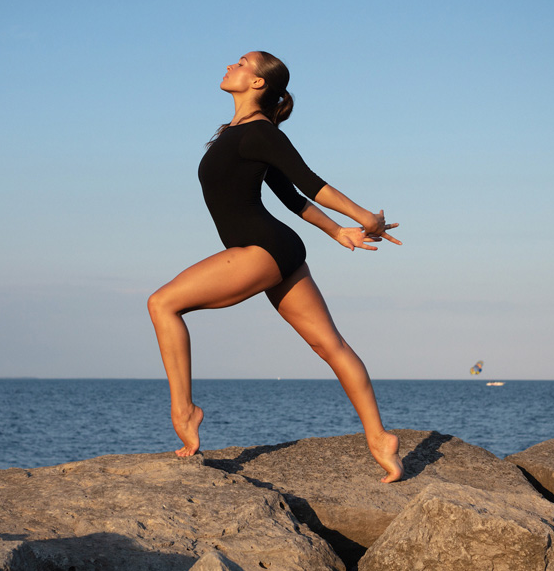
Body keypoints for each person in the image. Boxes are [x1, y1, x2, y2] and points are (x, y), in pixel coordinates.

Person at [147, 51, 404, 483]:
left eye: (242, 63)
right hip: (275, 247)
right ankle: (380, 439)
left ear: (259, 83)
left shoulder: (262, 132)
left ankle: (185, 411)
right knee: (329, 346)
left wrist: (365, 219)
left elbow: (311, 182)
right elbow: (290, 196)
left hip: (261, 248)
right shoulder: (239, 133)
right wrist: (337, 232)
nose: (231, 65)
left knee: (162, 304)